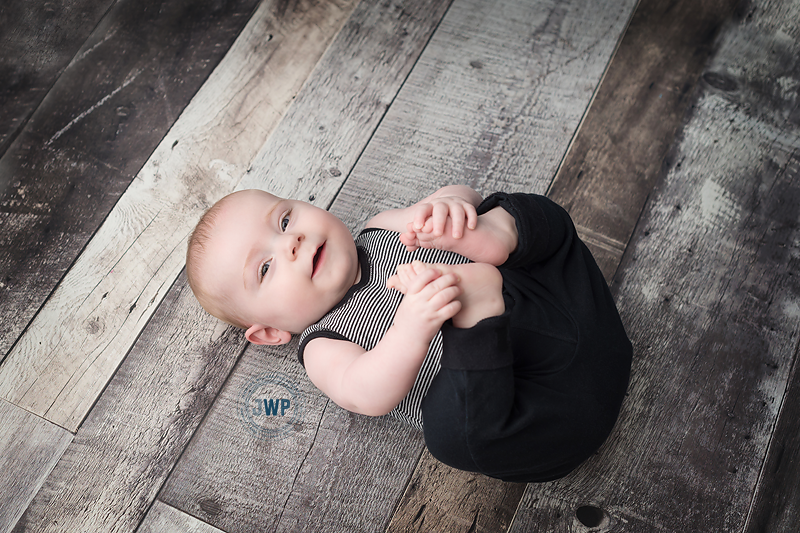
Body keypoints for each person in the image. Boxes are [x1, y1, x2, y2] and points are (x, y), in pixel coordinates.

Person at [186, 185, 632, 482]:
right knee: (449, 433)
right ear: (269, 333)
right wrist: (412, 325)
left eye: (284, 221)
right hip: (545, 411)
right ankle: (475, 314)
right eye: (266, 268)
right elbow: (365, 392)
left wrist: (449, 209)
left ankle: (496, 235)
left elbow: (458, 196)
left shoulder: (384, 227)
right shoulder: (323, 344)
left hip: (573, 315)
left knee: (524, 214)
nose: (290, 243)